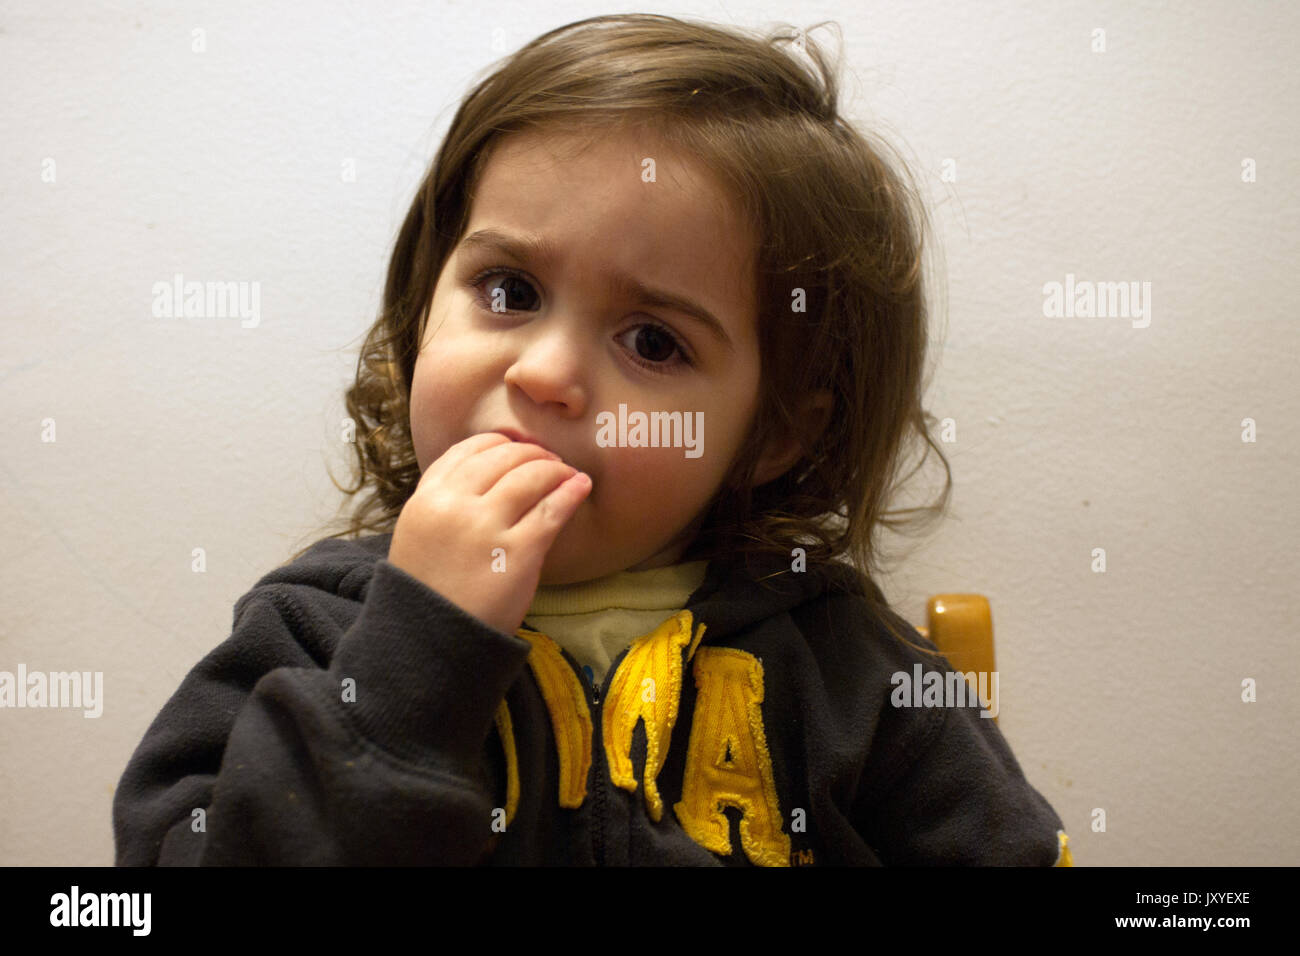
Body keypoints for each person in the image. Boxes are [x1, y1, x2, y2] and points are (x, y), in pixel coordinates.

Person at [113, 13, 1071, 866]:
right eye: (510, 292)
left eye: (653, 341)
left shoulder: (847, 671)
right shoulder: (313, 630)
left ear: (772, 433)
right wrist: (412, 667)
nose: (543, 374)